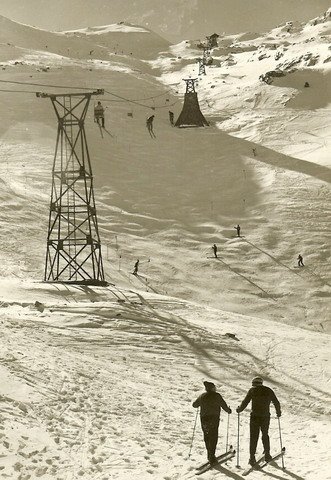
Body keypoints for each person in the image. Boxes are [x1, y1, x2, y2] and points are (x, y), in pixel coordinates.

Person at [236, 377, 281, 466]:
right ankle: (267, 454)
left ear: (254, 383)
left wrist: (239, 409)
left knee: (254, 437)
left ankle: (252, 457)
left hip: (255, 417)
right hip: (265, 416)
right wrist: (278, 412)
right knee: (265, 434)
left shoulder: (252, 390)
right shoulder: (268, 390)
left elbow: (245, 402)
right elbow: (276, 402)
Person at [193, 381, 232, 465]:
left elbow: (194, 405)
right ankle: (212, 456)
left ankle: (209, 454)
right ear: (212, 388)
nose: (215, 388)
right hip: (214, 418)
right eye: (214, 387)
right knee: (213, 436)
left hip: (204, 419)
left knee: (207, 436)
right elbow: (223, 405)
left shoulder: (202, 396)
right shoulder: (217, 396)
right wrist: (228, 410)